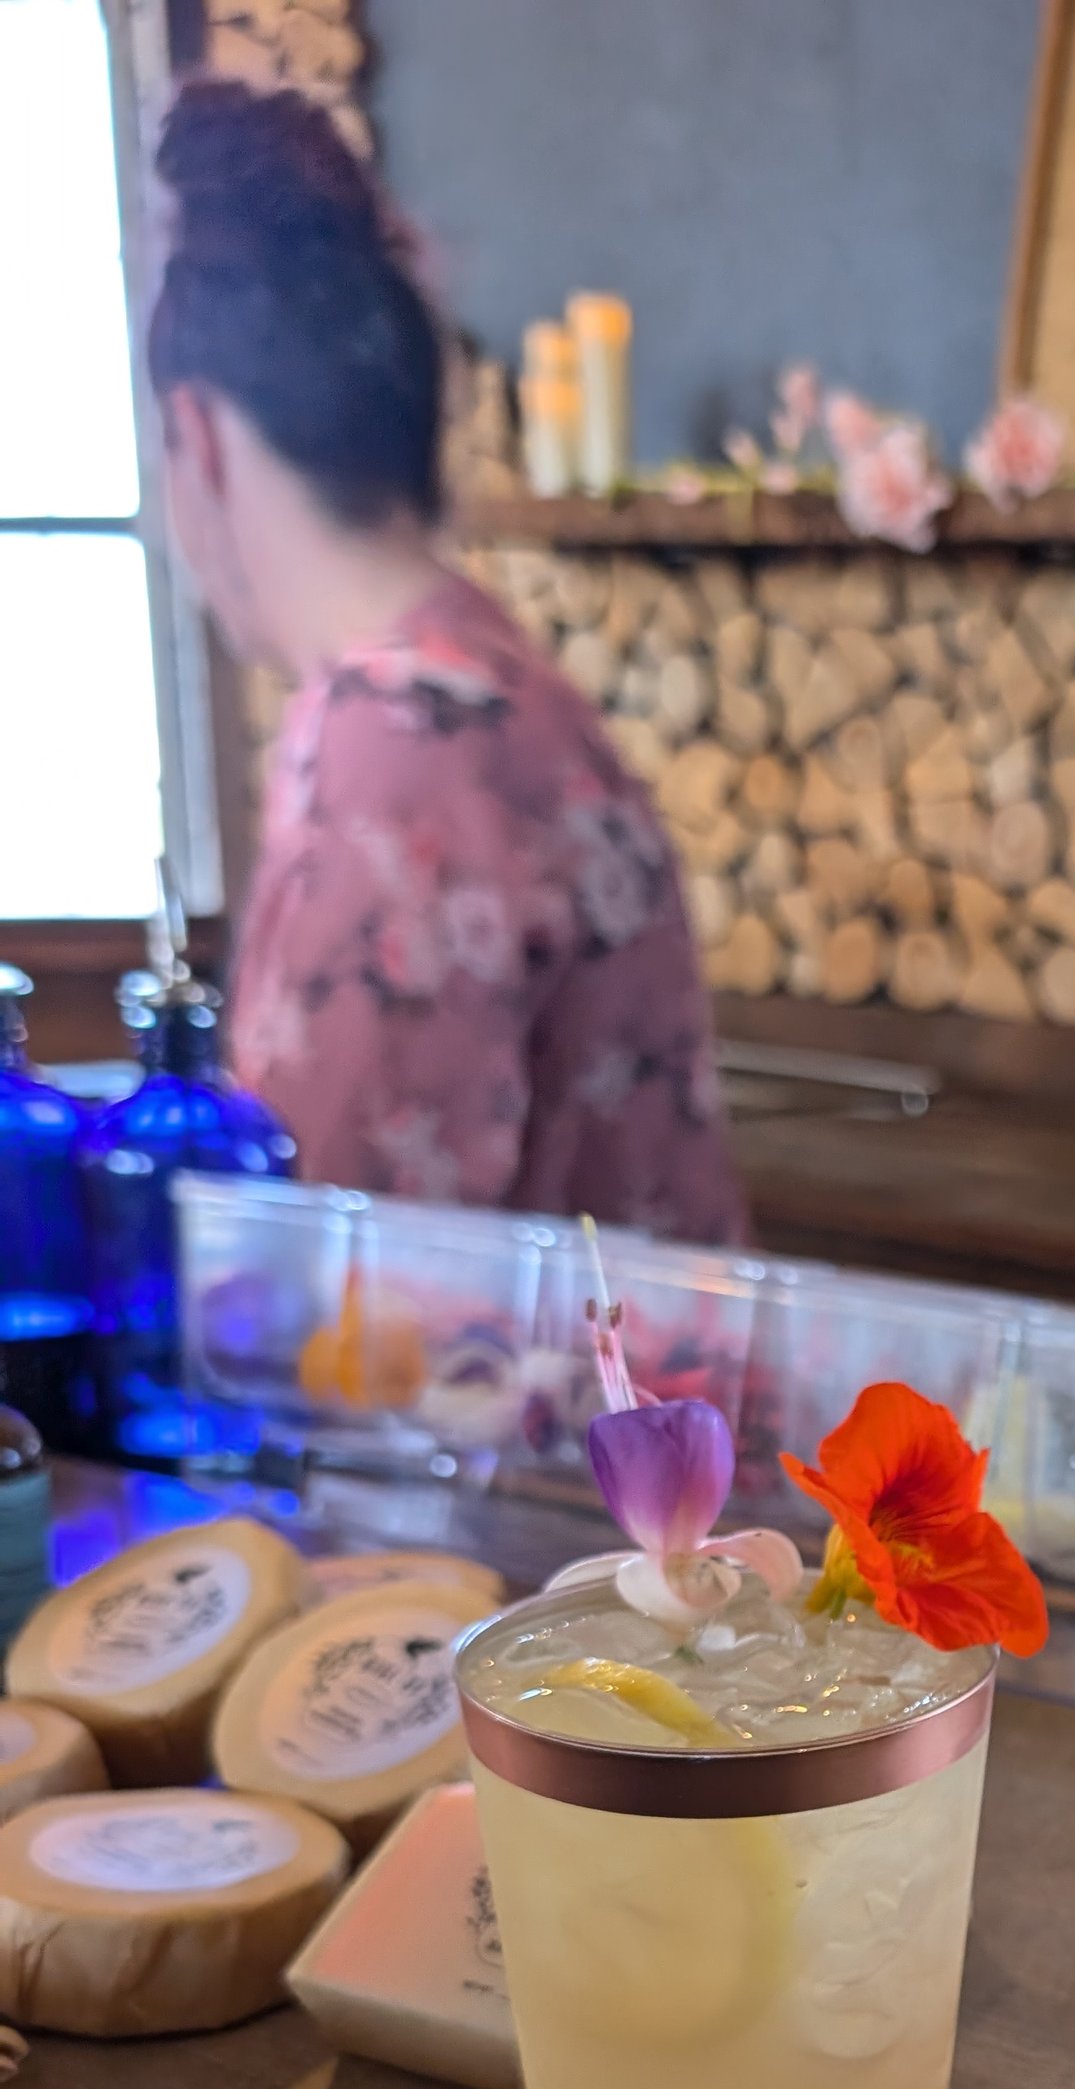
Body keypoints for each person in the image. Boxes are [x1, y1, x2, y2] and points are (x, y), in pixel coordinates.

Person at [146, 79, 744, 1243]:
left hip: (548, 1427)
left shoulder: (397, 747)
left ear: (198, 439)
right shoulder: (488, 687)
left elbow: (313, 1294)